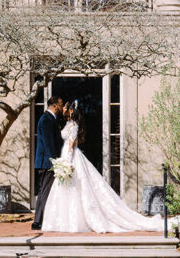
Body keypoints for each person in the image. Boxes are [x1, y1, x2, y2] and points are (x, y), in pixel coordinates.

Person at [41, 100, 167, 233]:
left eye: (66, 107)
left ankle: (77, 221)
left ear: (71, 110)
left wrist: (66, 162)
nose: (64, 108)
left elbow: (71, 145)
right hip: (64, 154)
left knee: (77, 187)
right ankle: (64, 221)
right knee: (67, 187)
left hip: (70, 156)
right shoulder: (68, 123)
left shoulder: (73, 125)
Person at [31, 95, 65, 230]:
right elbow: (48, 144)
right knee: (45, 191)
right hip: (47, 162)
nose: (62, 107)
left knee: (44, 191)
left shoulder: (52, 119)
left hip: (47, 161)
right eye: (61, 104)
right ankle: (38, 221)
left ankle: (40, 220)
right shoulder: (46, 120)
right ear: (55, 105)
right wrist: (55, 162)